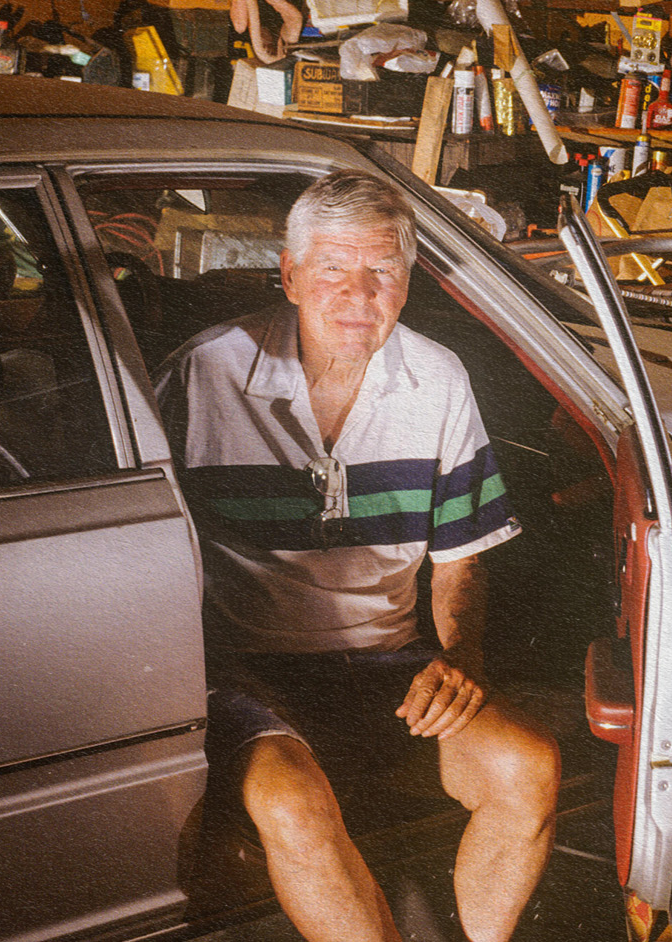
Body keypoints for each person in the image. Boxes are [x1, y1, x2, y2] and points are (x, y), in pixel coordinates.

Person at [156, 170, 558, 942]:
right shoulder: (204, 374)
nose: (358, 292)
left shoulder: (437, 380)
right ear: (290, 275)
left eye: (382, 271)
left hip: (388, 661)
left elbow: (461, 560)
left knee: (527, 765)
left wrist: (459, 658)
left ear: (407, 283)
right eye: (333, 268)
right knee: (291, 803)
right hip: (244, 671)